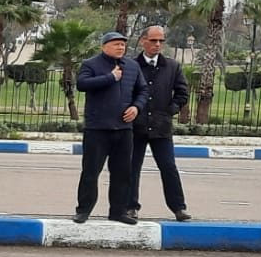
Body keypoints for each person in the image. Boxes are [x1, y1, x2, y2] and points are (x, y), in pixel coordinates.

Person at [73, 31, 149, 225]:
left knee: (122, 173)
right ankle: (83, 210)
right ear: (104, 46)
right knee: (91, 172)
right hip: (97, 128)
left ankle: (118, 211)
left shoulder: (132, 66)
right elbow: (82, 84)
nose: (120, 47)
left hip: (124, 130)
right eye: (116, 44)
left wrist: (136, 107)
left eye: (123, 45)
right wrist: (110, 77)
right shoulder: (91, 64)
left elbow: (142, 90)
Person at [127, 25, 191, 222]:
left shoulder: (172, 67)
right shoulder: (131, 65)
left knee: (168, 166)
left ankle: (178, 207)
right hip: (135, 126)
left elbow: (182, 93)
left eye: (161, 41)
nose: (157, 44)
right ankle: (130, 207)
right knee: (131, 167)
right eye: (153, 40)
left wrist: (170, 110)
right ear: (143, 40)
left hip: (161, 127)